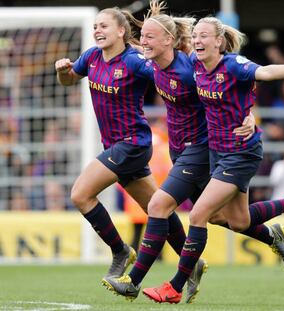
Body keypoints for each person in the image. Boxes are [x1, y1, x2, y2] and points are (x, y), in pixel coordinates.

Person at [102, 1, 284, 304]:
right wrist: (151, 21)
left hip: (207, 150)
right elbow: (146, 43)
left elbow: (251, 79)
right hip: (200, 151)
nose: (143, 43)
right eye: (143, 38)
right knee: (232, 219)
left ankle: (141, 281)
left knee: (165, 206)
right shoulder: (162, 65)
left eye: (151, 37)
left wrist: (250, 113)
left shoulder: (195, 67)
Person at [54, 7, 191, 282]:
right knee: (157, 206)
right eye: (95, 26)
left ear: (121, 31)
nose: (97, 31)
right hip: (115, 146)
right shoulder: (92, 56)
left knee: (80, 194)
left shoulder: (135, 61)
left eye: (103, 26)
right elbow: (69, 81)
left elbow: (171, 79)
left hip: (133, 144)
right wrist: (62, 71)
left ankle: (120, 251)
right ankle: (192, 263)